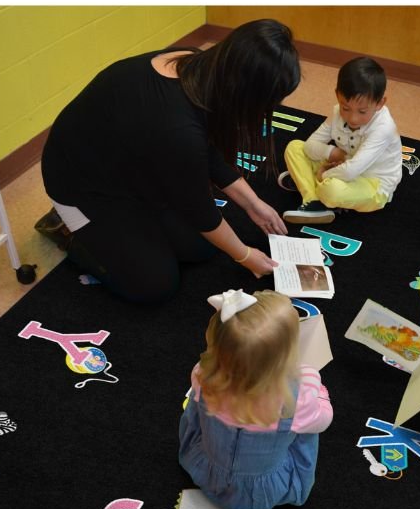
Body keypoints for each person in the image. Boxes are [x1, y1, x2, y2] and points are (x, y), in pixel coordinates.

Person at [37, 19, 301, 302]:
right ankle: (67, 229)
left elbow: (206, 149)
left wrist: (253, 204)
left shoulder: (197, 66)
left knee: (202, 248)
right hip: (81, 185)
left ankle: (128, 229)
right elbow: (198, 207)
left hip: (134, 166)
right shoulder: (176, 128)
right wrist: (245, 256)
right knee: (153, 284)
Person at [178, 289, 333, 509]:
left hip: (205, 471)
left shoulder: (202, 374)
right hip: (261, 492)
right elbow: (324, 419)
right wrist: (313, 380)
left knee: (196, 401)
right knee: (306, 427)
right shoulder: (297, 398)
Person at [279, 56, 402, 224]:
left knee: (332, 191)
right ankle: (313, 200)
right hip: (343, 165)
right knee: (295, 147)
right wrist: (332, 152)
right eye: (346, 108)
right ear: (337, 95)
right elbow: (309, 145)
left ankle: (310, 183)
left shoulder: (384, 128)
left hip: (373, 184)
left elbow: (351, 171)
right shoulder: (337, 112)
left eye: (362, 111)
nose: (353, 118)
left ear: (380, 103)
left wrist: (324, 174)